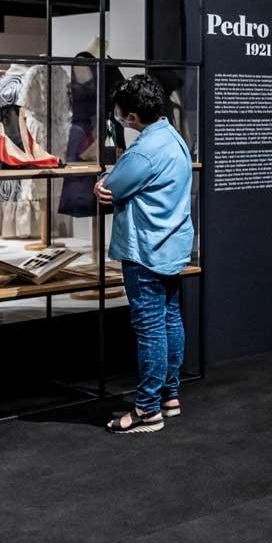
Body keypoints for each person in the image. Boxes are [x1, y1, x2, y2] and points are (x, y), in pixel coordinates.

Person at [94, 74, 194, 434]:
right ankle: (169, 396)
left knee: (150, 327)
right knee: (169, 319)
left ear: (132, 116)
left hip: (146, 249)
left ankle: (147, 410)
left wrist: (106, 184)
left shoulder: (144, 151)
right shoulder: (173, 138)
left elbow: (111, 186)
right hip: (170, 246)